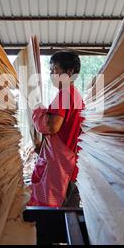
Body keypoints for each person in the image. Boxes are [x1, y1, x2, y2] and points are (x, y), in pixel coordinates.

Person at [28, 50, 84, 208]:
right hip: (71, 167)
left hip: (62, 169)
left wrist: (38, 114)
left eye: (54, 69)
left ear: (69, 72)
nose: (51, 73)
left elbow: (52, 126)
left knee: (55, 216)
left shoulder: (65, 94)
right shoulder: (75, 95)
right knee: (68, 215)